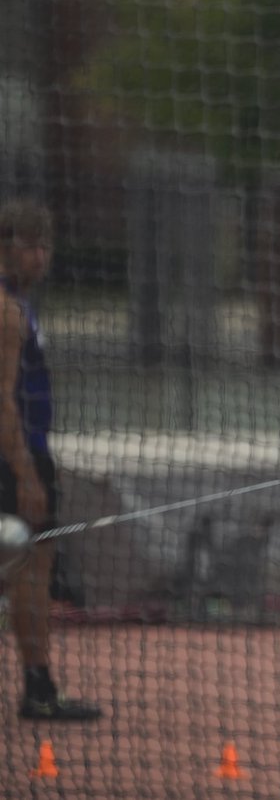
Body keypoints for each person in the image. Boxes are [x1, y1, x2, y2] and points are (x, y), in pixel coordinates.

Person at [0, 199, 101, 720]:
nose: (42, 257)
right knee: (31, 570)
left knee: (30, 569)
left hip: (28, 455)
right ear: (8, 246)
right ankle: (39, 691)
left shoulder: (18, 304)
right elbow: (3, 400)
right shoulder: (6, 310)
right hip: (15, 461)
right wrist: (26, 473)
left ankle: (40, 686)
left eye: (47, 246)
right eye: (32, 246)